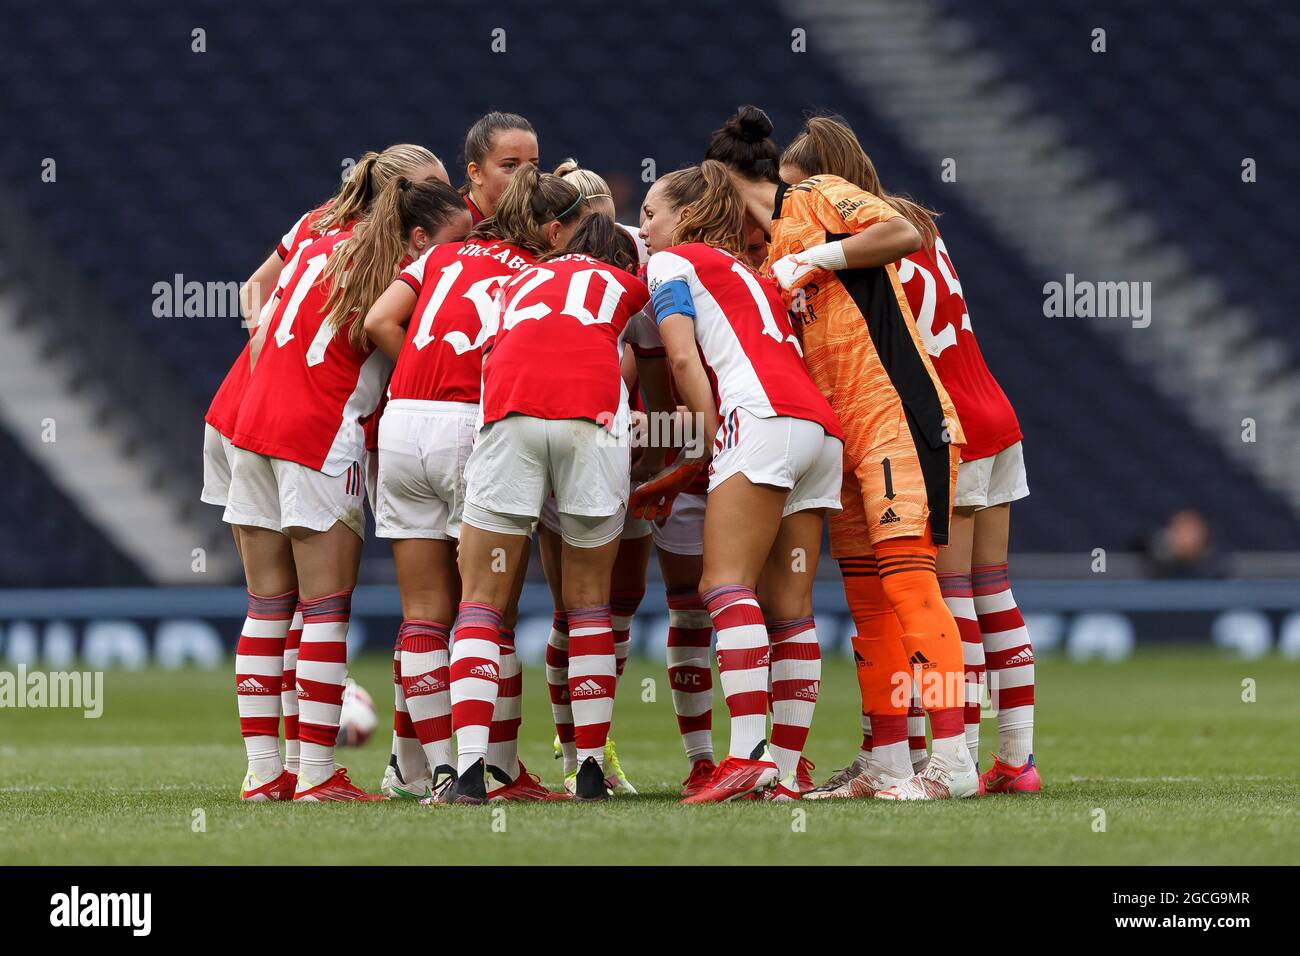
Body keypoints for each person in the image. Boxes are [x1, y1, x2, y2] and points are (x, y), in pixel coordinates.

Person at [712, 105, 978, 800]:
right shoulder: (763, 252)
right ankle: (889, 760)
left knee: (910, 586)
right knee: (867, 602)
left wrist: (822, 254)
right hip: (843, 436)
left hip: (895, 417)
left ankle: (952, 761)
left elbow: (905, 230)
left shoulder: (816, 195)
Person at [773, 114, 1039, 795]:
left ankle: (954, 761)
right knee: (941, 594)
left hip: (912, 416)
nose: (786, 205)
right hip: (958, 410)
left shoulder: (853, 220)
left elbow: (887, 292)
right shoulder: (915, 220)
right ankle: (958, 758)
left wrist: (818, 258)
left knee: (932, 592)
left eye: (790, 189)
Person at [206, 145, 448, 799]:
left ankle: (263, 775)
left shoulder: (319, 227)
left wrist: (262, 336)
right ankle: (316, 775)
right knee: (324, 611)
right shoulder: (408, 262)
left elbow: (254, 287)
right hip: (317, 432)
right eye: (439, 191)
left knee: (265, 607)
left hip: (246, 421)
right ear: (412, 199)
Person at [363, 163, 584, 803]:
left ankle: (437, 773)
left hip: (403, 422)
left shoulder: (443, 256)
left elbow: (379, 321)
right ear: (548, 230)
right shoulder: (539, 274)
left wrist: (424, 379)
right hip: (473, 428)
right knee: (489, 613)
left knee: (423, 615)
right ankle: (496, 770)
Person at [638, 161, 844, 803]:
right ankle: (781, 770)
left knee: (723, 586)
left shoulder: (672, 265)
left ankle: (745, 755)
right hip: (819, 431)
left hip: (759, 421)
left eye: (651, 214)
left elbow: (679, 358)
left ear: (689, 217)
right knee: (791, 610)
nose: (643, 230)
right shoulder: (750, 273)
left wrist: (689, 450)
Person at [447, 179, 650, 804]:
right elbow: (630, 363)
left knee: (482, 601)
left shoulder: (516, 281)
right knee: (588, 604)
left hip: (510, 412)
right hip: (589, 420)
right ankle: (588, 768)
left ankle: (470, 773)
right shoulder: (629, 284)